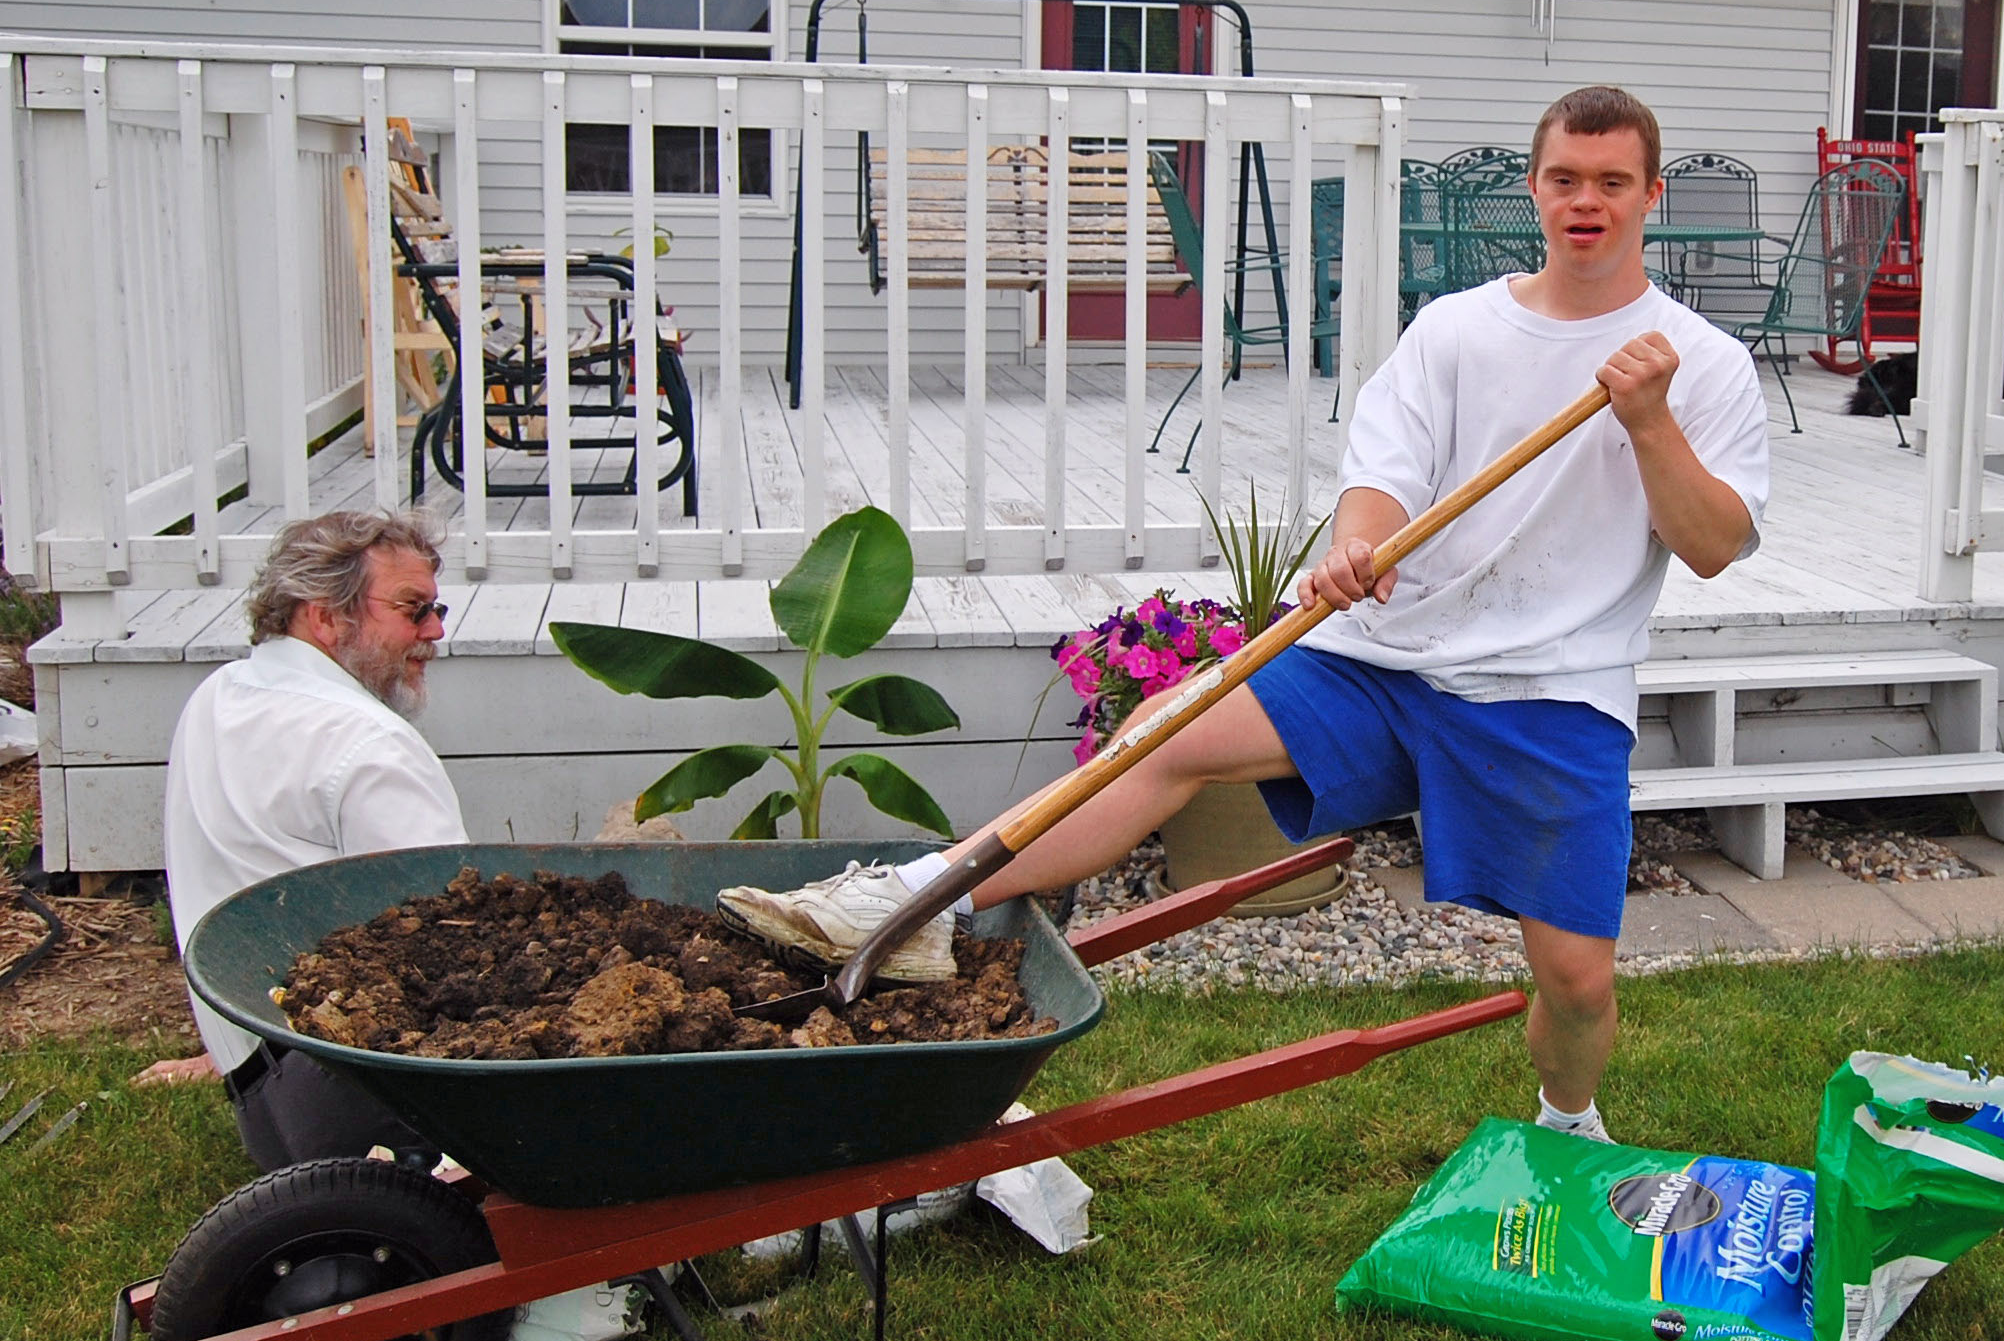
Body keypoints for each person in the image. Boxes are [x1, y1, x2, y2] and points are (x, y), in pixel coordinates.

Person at [724, 84, 1771, 1141]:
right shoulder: (1456, 329)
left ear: (1651, 193)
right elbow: (1382, 479)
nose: (1583, 201)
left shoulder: (1704, 365)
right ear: (1534, 188)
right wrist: (1357, 545)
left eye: (1610, 182)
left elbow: (1713, 543)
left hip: (1551, 686)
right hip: (1384, 659)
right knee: (1162, 728)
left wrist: (1648, 423)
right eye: (1563, 179)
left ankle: (1565, 1120)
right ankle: (912, 898)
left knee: (1579, 979)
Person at [141, 510, 462, 1169]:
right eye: (413, 609)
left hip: (262, 1090)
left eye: (437, 608)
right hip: (361, 1103)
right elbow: (453, 942)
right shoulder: (371, 747)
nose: (434, 631)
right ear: (324, 618)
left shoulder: (217, 695)